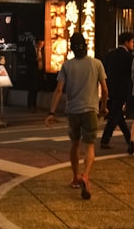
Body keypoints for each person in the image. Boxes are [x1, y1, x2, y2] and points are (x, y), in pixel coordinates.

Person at [45, 33, 108, 200]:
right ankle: (86, 176)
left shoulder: (67, 66)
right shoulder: (97, 64)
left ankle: (75, 177)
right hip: (90, 111)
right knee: (90, 146)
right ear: (86, 46)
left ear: (71, 48)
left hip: (73, 111)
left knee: (75, 144)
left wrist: (51, 112)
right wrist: (103, 107)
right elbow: (105, 89)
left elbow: (59, 90)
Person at [99, 31, 134, 150]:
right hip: (123, 88)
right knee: (115, 115)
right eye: (132, 42)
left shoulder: (110, 54)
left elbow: (105, 69)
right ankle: (105, 139)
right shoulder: (129, 57)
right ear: (126, 42)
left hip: (111, 87)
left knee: (117, 114)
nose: (133, 44)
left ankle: (129, 138)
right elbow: (131, 74)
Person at [26, 37, 45, 112]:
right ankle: (30, 105)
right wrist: (35, 60)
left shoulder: (42, 50)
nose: (41, 45)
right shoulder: (30, 49)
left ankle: (35, 105)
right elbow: (27, 60)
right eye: (40, 44)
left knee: (36, 89)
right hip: (32, 72)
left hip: (39, 71)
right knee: (31, 89)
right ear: (37, 43)